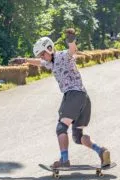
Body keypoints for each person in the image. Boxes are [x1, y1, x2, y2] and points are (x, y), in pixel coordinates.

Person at [18, 29, 111, 168]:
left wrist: (71, 41)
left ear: (49, 49)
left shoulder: (62, 56)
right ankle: (101, 151)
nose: (41, 57)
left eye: (42, 53)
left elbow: (71, 51)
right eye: (40, 55)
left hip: (73, 95)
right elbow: (40, 63)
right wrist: (25, 60)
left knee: (61, 128)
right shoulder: (51, 62)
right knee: (78, 137)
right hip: (84, 98)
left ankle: (64, 160)